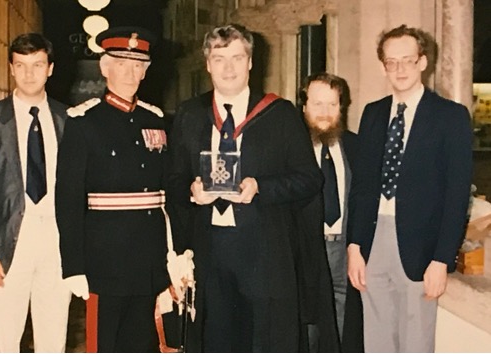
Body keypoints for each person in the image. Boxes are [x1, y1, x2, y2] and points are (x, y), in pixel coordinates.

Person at [166, 23, 323, 352]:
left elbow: (310, 178)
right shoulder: (189, 115)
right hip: (209, 252)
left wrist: (260, 187)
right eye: (219, 58)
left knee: (264, 342)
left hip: (264, 252)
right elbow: (173, 180)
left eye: (237, 58)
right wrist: (191, 191)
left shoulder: (280, 115)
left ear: (251, 62)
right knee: (215, 342)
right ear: (207, 63)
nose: (228, 68)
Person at [347, 24, 473, 352]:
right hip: (373, 242)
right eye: (392, 62)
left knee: (416, 342)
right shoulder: (372, 115)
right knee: (376, 340)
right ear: (383, 66)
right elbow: (361, 188)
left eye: (407, 60)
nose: (400, 69)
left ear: (422, 62)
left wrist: (442, 259)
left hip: (421, 247)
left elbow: (457, 196)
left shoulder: (451, 117)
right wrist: (354, 246)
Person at [56, 26, 173, 352]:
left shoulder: (157, 121)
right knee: (104, 345)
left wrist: (173, 254)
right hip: (104, 262)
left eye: (138, 65)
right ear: (105, 68)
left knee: (143, 344)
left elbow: (168, 192)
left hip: (150, 259)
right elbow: (68, 199)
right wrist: (74, 266)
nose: (130, 73)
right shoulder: (84, 122)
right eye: (122, 64)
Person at [0, 32, 72, 353]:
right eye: (21, 65)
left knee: (54, 339)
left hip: (56, 244)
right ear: (11, 68)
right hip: (6, 246)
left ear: (50, 68)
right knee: (4, 341)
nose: (29, 74)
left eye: (37, 65)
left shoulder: (69, 119)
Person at [297, 72, 358, 352]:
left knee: (343, 323)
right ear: (304, 105)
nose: (324, 112)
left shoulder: (356, 147)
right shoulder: (292, 149)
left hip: (344, 250)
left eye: (332, 105)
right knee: (308, 325)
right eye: (318, 104)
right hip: (305, 248)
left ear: (341, 107)